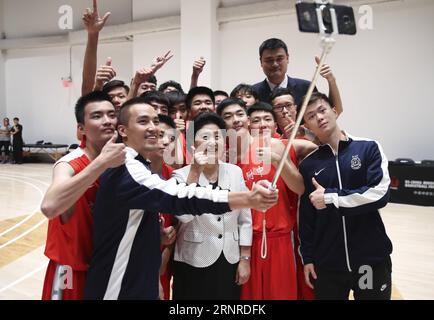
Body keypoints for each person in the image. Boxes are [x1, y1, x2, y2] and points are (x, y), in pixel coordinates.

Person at [83, 97, 278, 300]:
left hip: (139, 273)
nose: (154, 128)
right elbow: (180, 197)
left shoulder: (140, 165)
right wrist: (248, 198)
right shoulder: (127, 168)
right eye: (143, 122)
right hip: (119, 279)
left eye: (156, 121)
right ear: (123, 130)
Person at [298, 92, 393, 300]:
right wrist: (308, 258)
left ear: (334, 111)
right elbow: (306, 219)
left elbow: (379, 193)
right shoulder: (308, 166)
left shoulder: (368, 147)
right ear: (306, 126)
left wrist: (331, 198)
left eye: (322, 110)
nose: (319, 117)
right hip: (328, 265)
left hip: (368, 261)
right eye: (311, 116)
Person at [40, 91, 126, 300]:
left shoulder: (121, 160)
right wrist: (100, 164)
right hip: (70, 271)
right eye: (97, 116)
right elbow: (49, 206)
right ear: (81, 129)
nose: (107, 121)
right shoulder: (70, 163)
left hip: (106, 268)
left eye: (111, 114)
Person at [171, 113, 252, 300]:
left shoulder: (235, 172)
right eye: (205, 137)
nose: (212, 142)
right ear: (192, 143)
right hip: (194, 258)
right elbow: (184, 217)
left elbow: (245, 219)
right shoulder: (179, 175)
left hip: (229, 257)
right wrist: (194, 172)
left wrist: (245, 258)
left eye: (217, 136)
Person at [252, 38, 343, 112]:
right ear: (261, 62)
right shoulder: (252, 93)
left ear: (287, 58)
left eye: (279, 58)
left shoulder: (306, 87)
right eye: (269, 60)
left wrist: (331, 80)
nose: (275, 64)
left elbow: (334, 112)